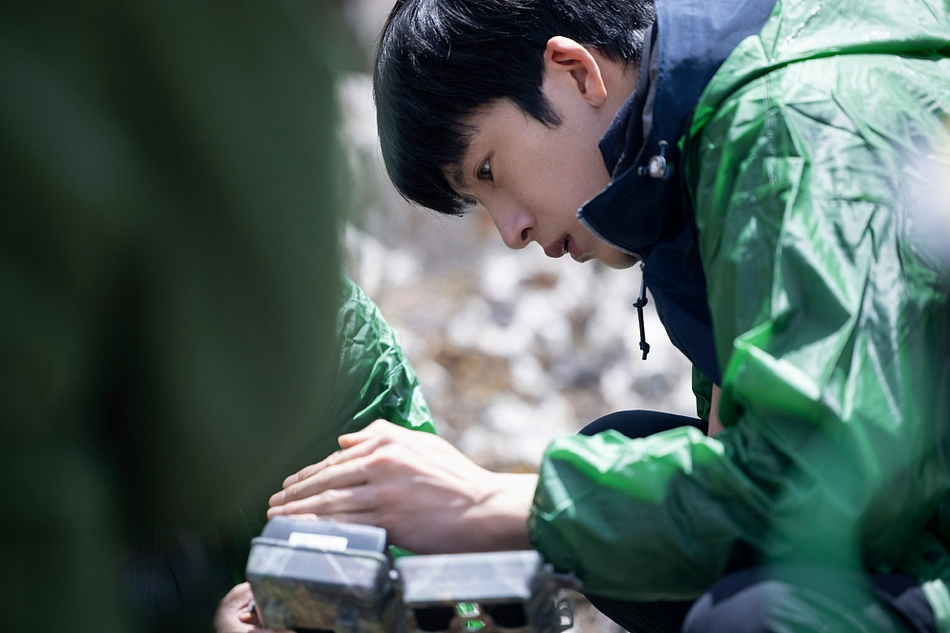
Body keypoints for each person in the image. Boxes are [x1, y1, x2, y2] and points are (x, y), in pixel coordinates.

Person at [268, 0, 950, 631]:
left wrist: (497, 504)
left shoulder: (803, 124)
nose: (511, 230)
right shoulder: (691, 148)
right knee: (624, 461)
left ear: (574, 71)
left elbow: (833, 484)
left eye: (489, 172)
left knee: (749, 615)